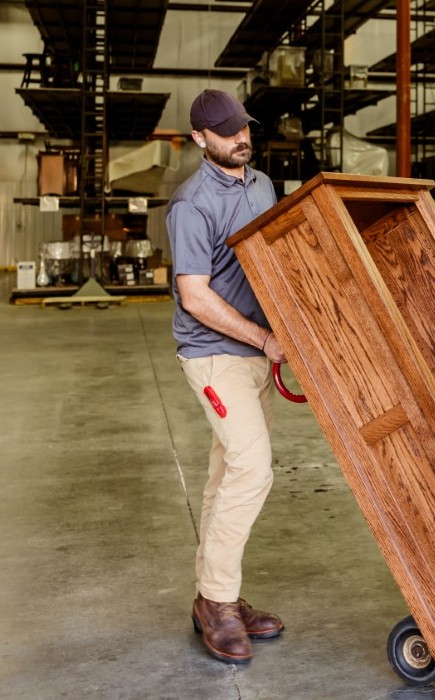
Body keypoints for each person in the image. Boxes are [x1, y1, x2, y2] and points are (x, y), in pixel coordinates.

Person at [166, 88, 286, 664]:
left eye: (244, 128)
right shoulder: (191, 205)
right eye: (227, 132)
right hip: (215, 355)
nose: (241, 139)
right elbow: (195, 297)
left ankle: (218, 595)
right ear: (199, 139)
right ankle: (217, 602)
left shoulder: (261, 185)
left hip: (260, 353)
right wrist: (263, 337)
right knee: (253, 469)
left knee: (225, 474)